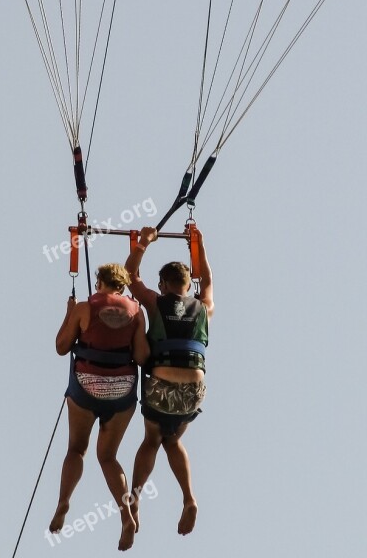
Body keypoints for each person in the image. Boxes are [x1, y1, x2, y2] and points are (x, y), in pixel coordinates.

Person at [52, 263, 150, 551]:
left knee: (76, 449)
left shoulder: (84, 308)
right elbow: (143, 357)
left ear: (99, 283)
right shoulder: (136, 312)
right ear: (122, 285)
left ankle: (63, 502)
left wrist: (69, 314)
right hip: (122, 391)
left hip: (86, 387)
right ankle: (125, 516)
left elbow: (61, 346)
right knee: (107, 457)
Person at [124, 226, 214, 536]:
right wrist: (198, 246)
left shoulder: (155, 302)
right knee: (173, 439)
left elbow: (129, 276)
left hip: (161, 387)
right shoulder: (204, 307)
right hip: (193, 391)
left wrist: (143, 244)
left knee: (152, 440)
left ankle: (133, 500)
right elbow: (210, 282)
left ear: (163, 284)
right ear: (189, 285)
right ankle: (189, 498)